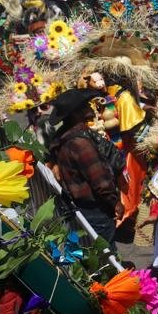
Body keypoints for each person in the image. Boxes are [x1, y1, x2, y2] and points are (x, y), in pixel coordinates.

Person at [46, 88, 122, 249]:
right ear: (76, 113)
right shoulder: (80, 143)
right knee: (106, 255)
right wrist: (115, 202)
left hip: (82, 208)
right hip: (95, 211)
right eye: (85, 106)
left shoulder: (65, 136)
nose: (90, 108)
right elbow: (100, 179)